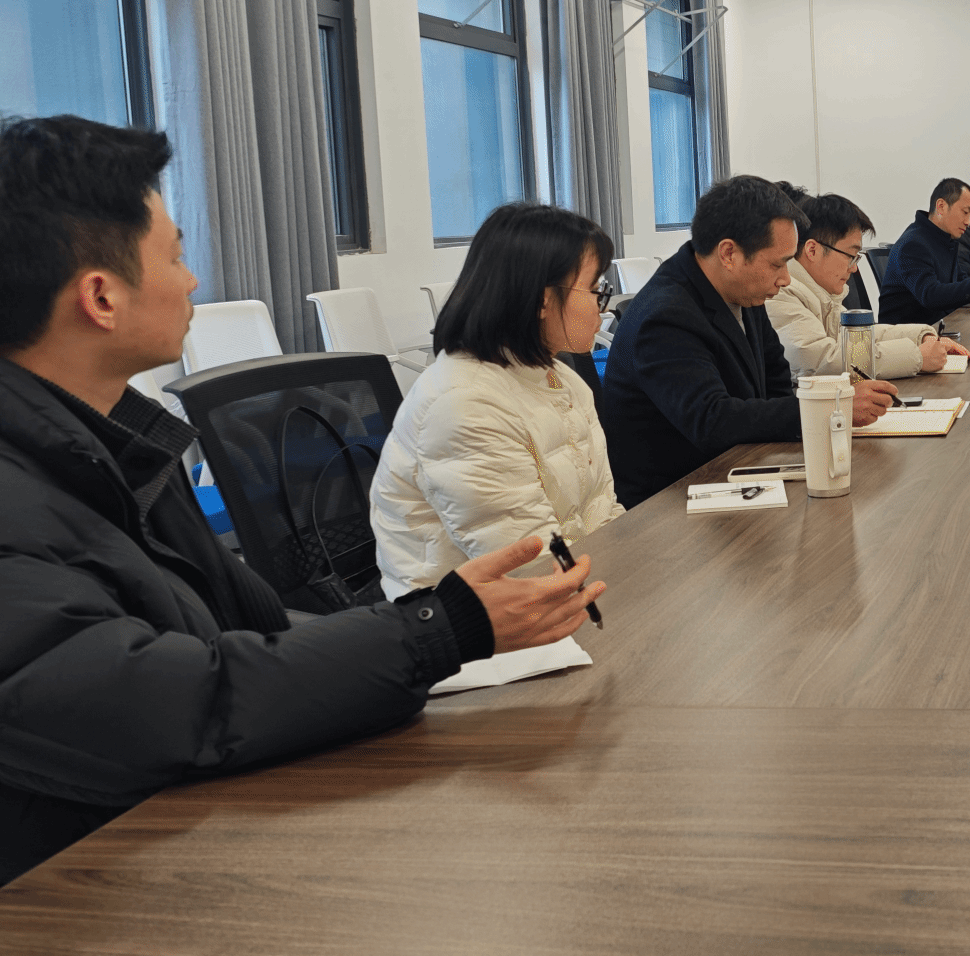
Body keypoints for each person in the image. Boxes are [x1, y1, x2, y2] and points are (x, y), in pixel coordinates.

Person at [0, 115, 601, 884]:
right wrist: (435, 630)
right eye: (176, 257)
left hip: (198, 825)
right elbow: (171, 705)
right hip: (85, 894)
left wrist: (417, 643)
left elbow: (249, 633)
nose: (192, 280)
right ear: (100, 297)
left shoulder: (116, 439)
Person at [371, 201, 624, 611]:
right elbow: (532, 567)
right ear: (543, 300)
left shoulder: (565, 382)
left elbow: (603, 512)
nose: (603, 306)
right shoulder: (465, 405)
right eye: (595, 290)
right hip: (463, 627)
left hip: (559, 599)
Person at [602, 175, 897, 508]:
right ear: (729, 253)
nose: (786, 279)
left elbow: (776, 384)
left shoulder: (743, 289)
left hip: (741, 473)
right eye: (777, 264)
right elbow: (712, 420)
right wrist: (832, 407)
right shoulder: (666, 316)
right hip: (672, 503)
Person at [768, 189, 970, 378]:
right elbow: (819, 360)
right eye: (851, 256)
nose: (853, 268)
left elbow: (865, 337)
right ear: (812, 250)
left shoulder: (821, 294)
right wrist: (917, 356)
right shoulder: (781, 292)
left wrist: (921, 337)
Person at [880, 178, 970, 325]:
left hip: (936, 327)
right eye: (965, 212)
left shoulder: (944, 240)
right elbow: (930, 295)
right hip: (910, 334)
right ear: (941, 207)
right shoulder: (914, 243)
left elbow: (960, 284)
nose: (968, 222)